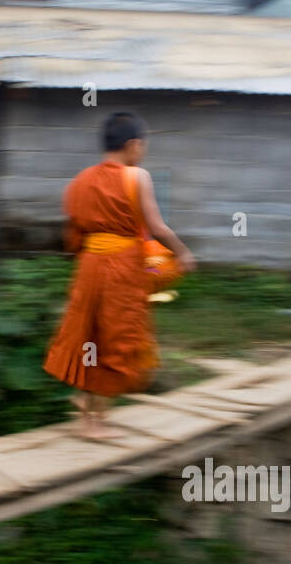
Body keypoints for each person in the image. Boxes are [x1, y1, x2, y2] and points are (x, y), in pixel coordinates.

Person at [44, 112, 196, 439]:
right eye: (143, 146)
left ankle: (88, 409)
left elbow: (71, 237)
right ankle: (95, 424)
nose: (143, 152)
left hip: (89, 267)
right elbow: (156, 227)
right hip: (121, 268)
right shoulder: (136, 177)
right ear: (132, 145)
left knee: (91, 335)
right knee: (117, 337)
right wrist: (182, 252)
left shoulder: (79, 181)